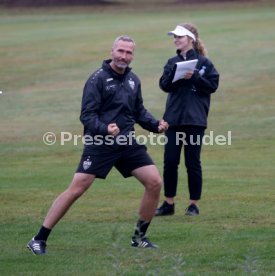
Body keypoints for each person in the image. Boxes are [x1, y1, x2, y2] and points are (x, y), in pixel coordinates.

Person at [27, 35, 169, 254]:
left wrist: (155, 124)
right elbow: (87, 115)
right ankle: (38, 238)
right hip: (100, 143)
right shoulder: (98, 79)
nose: (124, 56)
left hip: (126, 141)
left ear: (133, 55)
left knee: (154, 182)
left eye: (128, 52)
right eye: (120, 51)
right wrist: (105, 129)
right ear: (112, 51)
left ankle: (139, 238)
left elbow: (138, 111)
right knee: (76, 189)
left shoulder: (133, 80)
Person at [155, 23, 219, 216]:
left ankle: (193, 204)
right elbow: (164, 85)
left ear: (190, 39)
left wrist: (194, 78)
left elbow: (212, 85)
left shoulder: (204, 63)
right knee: (170, 161)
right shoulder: (171, 61)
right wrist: (176, 74)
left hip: (195, 120)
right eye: (175, 37)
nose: (176, 40)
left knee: (192, 162)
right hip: (174, 119)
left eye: (180, 37)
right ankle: (168, 203)